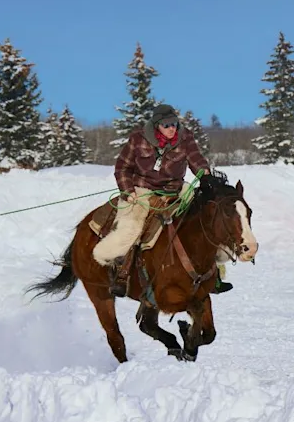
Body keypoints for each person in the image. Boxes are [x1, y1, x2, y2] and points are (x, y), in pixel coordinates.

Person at [92, 104, 233, 297]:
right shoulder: (138, 138)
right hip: (142, 190)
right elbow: (122, 168)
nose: (172, 128)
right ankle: (122, 274)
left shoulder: (185, 137)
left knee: (206, 216)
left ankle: (215, 274)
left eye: (174, 124)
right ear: (157, 125)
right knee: (132, 226)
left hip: (175, 190)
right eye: (167, 125)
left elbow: (196, 159)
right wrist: (128, 191)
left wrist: (205, 175)